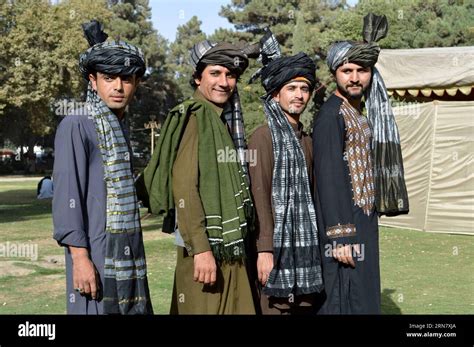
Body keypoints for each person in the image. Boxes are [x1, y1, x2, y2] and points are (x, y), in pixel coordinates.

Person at [143, 40, 256, 314]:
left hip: (227, 248)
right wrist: (201, 250)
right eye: (215, 73)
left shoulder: (220, 119)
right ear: (197, 77)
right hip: (205, 250)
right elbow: (184, 186)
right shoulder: (196, 116)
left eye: (230, 75)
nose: (224, 82)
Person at [52, 20, 153, 314]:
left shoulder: (120, 127)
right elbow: (66, 199)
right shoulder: (76, 124)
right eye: (109, 78)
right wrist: (80, 260)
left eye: (127, 79)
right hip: (95, 255)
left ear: (136, 83)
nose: (119, 87)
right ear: (93, 81)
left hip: (128, 250)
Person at [312, 13, 409, 314]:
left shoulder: (359, 115)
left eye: (362, 70)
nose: (355, 78)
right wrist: (341, 237)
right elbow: (329, 178)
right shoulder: (332, 115)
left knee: (364, 296)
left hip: (363, 219)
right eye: (347, 70)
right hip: (344, 227)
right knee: (345, 299)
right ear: (335, 74)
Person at [247, 30, 323, 314]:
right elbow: (260, 196)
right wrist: (265, 250)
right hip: (275, 252)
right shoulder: (262, 138)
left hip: (305, 253)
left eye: (304, 89)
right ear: (276, 93)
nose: (299, 95)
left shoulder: (307, 139)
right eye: (292, 88)